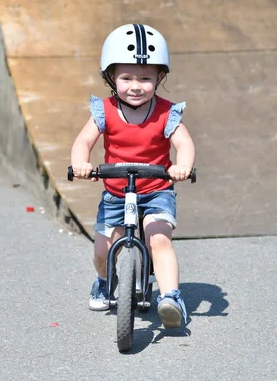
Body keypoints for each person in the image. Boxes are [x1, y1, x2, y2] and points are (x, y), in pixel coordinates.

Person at [70, 23, 196, 328]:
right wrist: (80, 164)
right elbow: (83, 141)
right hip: (116, 191)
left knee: (159, 240)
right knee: (103, 250)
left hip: (156, 190)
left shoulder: (167, 113)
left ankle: (170, 297)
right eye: (126, 77)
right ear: (111, 77)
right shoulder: (104, 110)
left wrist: (183, 166)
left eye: (145, 78)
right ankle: (103, 281)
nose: (135, 86)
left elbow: (184, 143)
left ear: (159, 78)